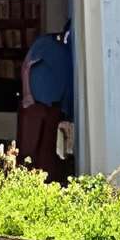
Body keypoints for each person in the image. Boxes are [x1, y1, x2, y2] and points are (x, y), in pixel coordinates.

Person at [16, 26, 75, 182]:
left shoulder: (70, 54)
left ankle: (46, 186)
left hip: (54, 108)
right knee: (28, 149)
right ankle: (23, 185)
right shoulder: (46, 43)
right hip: (35, 104)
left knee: (47, 153)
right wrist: (27, 95)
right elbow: (26, 66)